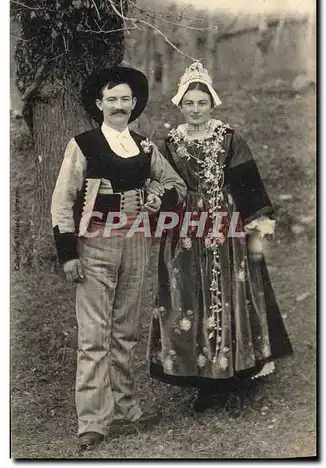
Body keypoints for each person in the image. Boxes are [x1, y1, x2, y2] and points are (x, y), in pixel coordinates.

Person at [51, 65, 187, 450]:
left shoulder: (144, 146)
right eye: (112, 99)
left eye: (126, 99)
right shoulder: (83, 145)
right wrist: (68, 254)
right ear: (99, 104)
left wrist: (157, 197)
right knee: (94, 335)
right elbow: (62, 202)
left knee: (126, 330)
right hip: (95, 244)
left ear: (134, 104)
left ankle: (126, 410)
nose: (119, 106)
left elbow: (175, 183)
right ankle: (93, 421)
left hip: (137, 242)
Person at [147, 62, 293, 412]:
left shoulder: (229, 138)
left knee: (228, 290)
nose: (195, 110)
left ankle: (232, 374)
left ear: (212, 103)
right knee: (189, 295)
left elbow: (246, 181)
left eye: (202, 103)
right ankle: (201, 379)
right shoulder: (170, 143)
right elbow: (166, 184)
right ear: (180, 105)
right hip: (185, 229)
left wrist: (258, 218)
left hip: (227, 226)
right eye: (189, 104)